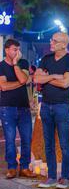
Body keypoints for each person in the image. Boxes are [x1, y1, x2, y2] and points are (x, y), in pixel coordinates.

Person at [33, 32, 69, 189]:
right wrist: (54, 76)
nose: (51, 42)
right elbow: (36, 79)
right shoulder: (46, 59)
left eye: (54, 40)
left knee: (65, 144)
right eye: (52, 40)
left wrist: (48, 78)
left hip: (61, 107)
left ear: (63, 44)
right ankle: (51, 176)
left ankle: (64, 178)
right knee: (48, 144)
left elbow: (66, 83)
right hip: (45, 106)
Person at [0, 39, 36, 179]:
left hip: (23, 107)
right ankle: (12, 167)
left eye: (18, 49)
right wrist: (20, 83)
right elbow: (3, 86)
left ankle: (25, 167)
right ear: (6, 50)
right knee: (10, 139)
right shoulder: (1, 66)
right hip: (6, 107)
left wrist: (15, 64)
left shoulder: (23, 63)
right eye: (14, 49)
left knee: (27, 138)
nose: (17, 52)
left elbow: (24, 79)